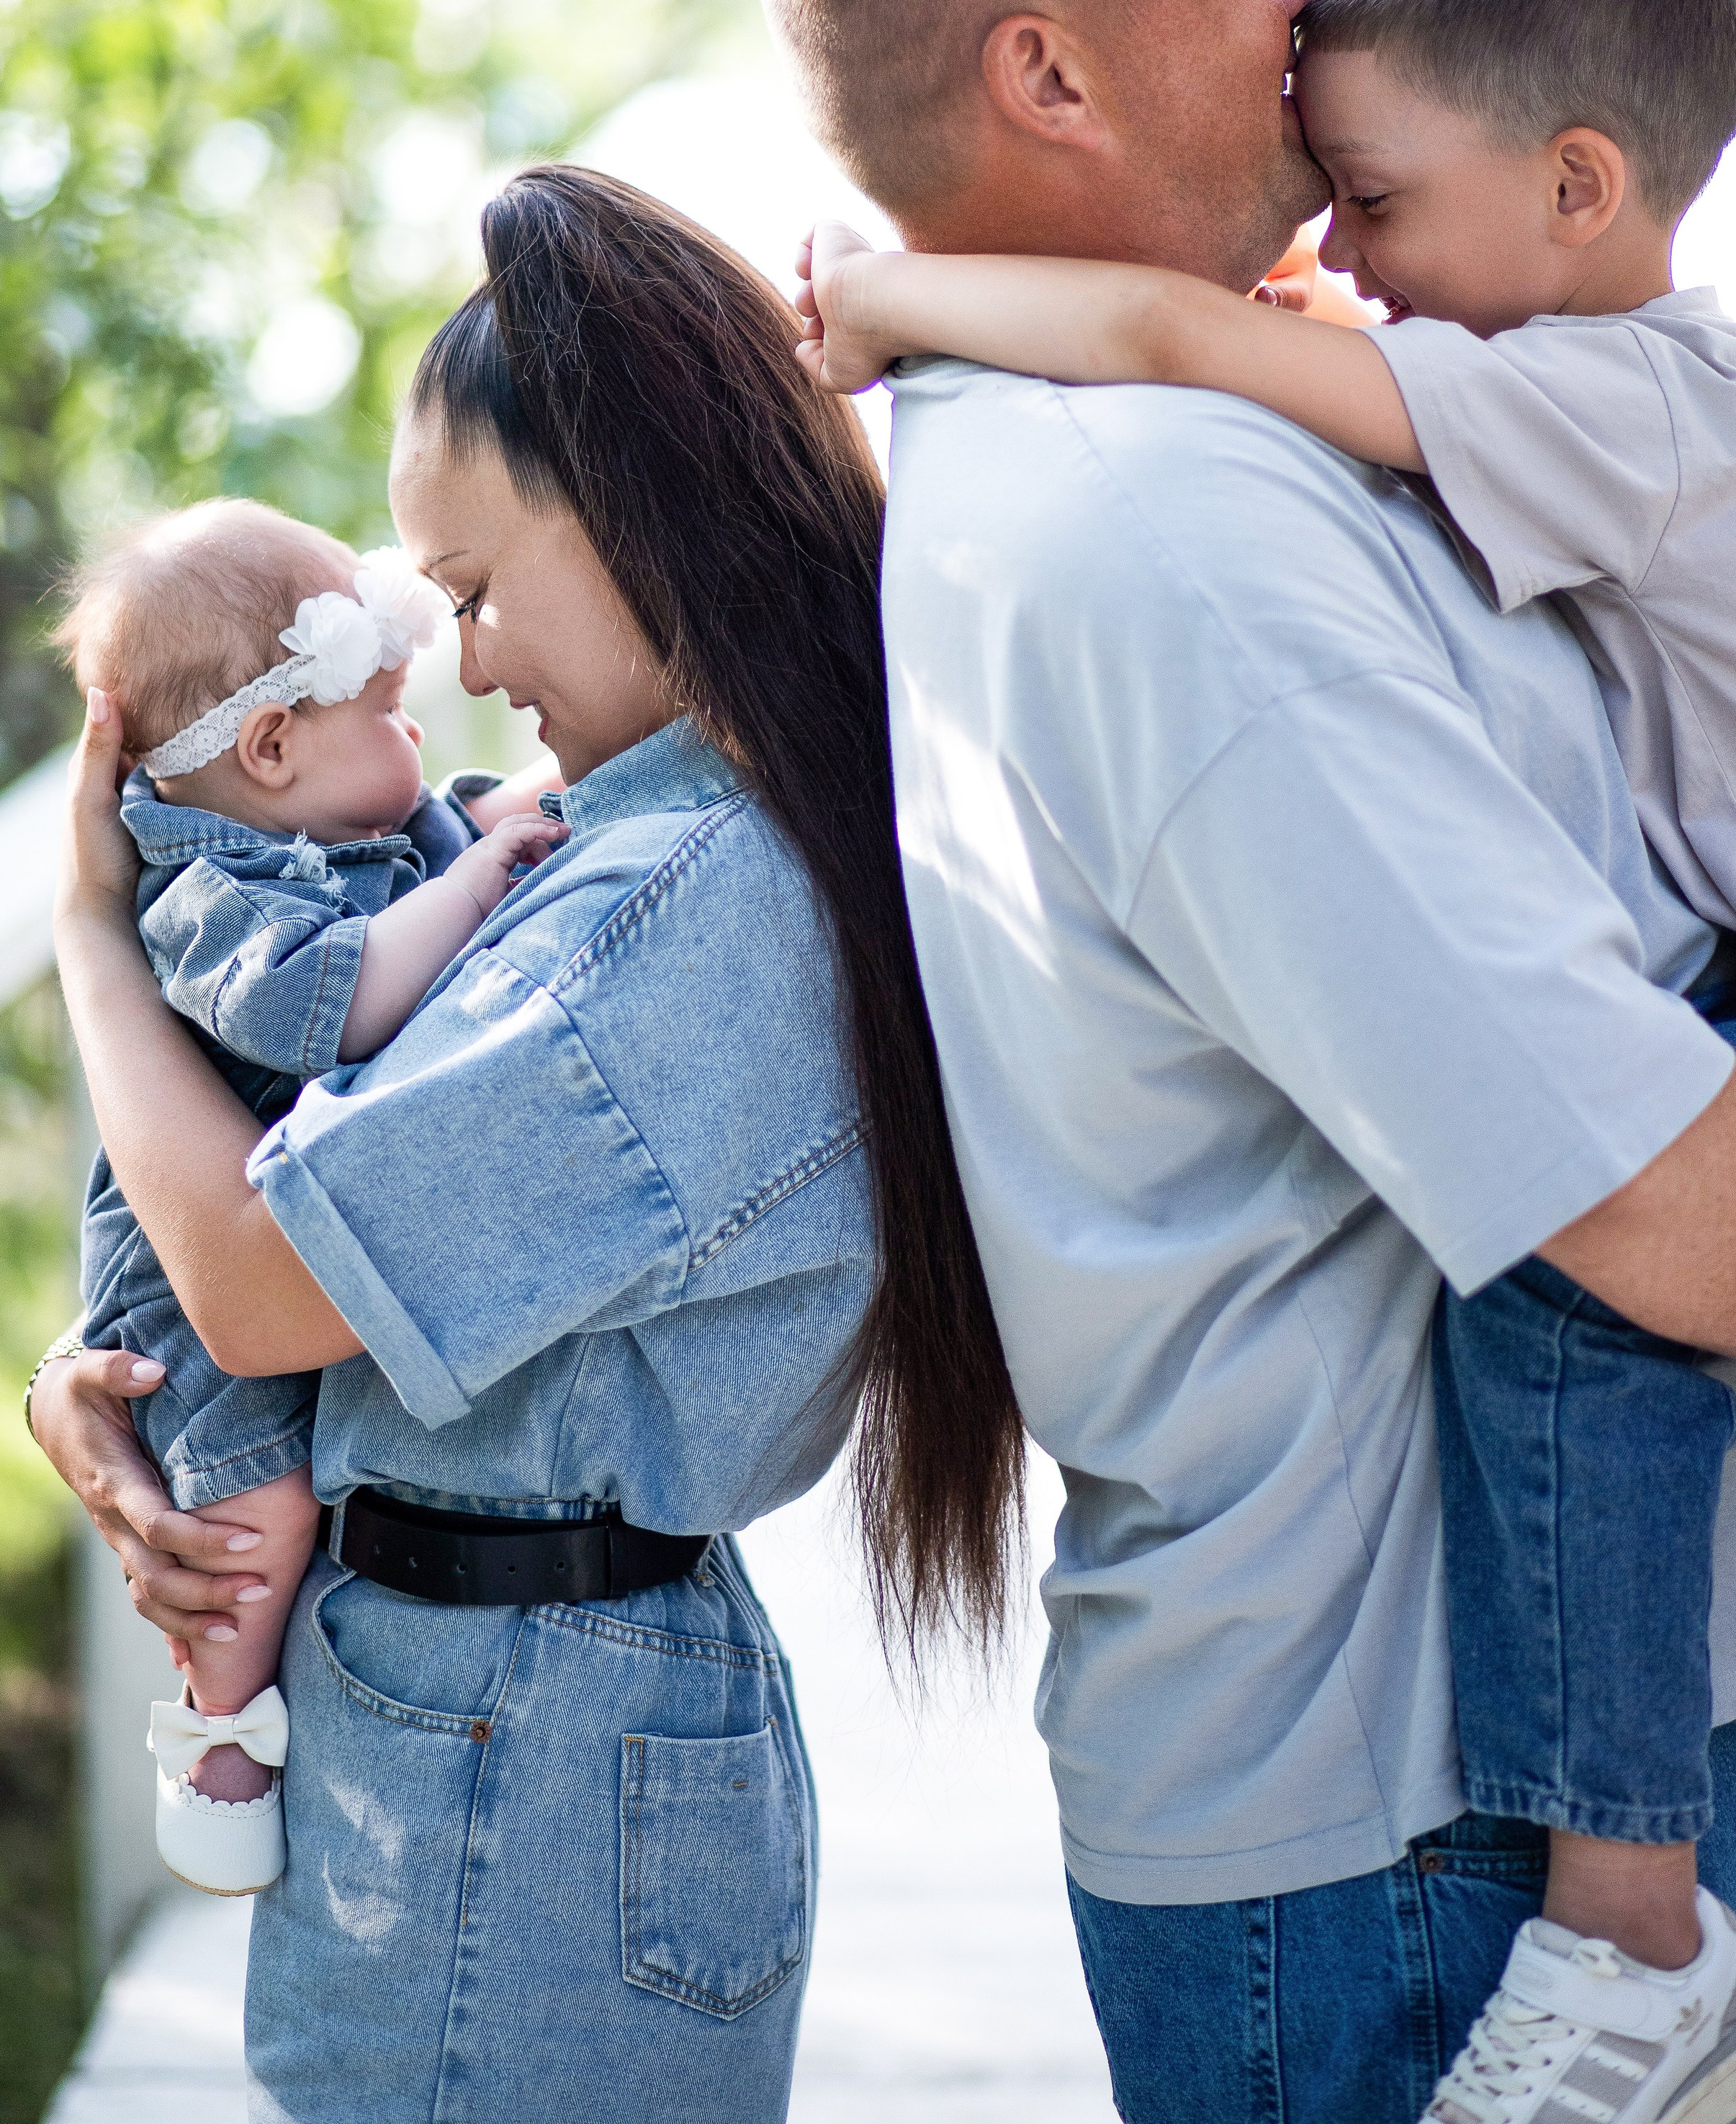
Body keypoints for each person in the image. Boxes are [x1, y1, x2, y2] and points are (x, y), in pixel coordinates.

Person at [752, 0, 1736, 2124]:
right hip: (1425, 1828)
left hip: (1565, 1723)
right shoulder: (1160, 531)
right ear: (1042, 66)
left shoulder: (1273, 428)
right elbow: (1638, 1195)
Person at [32, 163, 1022, 2123]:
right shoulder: (645, 857)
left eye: (475, 593)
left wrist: (88, 931)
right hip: (515, 1723)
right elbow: (285, 1202)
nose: (464, 666)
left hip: (521, 1754)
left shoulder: (673, 912)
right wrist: (89, 1380)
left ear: (640, 519)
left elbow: (257, 1269)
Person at [58, 503, 563, 1891]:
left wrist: (524, 816)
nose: (422, 738)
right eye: (393, 706)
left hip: (287, 1247)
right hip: (180, 1293)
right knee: (253, 1514)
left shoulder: (360, 836)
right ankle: (220, 1737)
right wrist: (475, 880)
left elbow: (480, 820)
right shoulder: (213, 893)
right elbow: (325, 1006)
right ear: (273, 746)